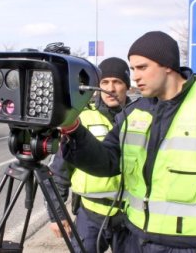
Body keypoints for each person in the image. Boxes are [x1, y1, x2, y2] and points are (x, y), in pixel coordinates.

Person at [59, 31, 196, 253]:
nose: (135, 77)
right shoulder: (135, 112)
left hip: (194, 246)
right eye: (133, 69)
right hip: (134, 240)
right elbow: (107, 162)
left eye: (142, 68)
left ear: (168, 66)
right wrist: (73, 130)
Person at [45, 57, 133, 253]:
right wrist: (57, 216)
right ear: (96, 86)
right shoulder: (80, 119)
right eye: (105, 82)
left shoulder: (140, 117)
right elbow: (58, 173)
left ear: (127, 85)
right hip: (90, 215)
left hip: (131, 217)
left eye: (117, 82)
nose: (111, 88)